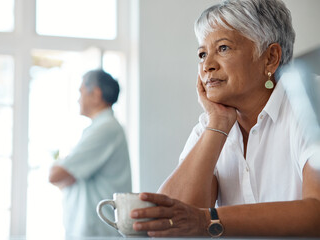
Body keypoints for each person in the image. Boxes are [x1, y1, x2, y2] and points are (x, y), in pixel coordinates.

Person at [130, 0, 320, 237]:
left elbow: (317, 211)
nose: (207, 65)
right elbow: (171, 221)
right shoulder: (211, 123)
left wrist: (207, 220)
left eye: (223, 48)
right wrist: (218, 124)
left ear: (270, 57)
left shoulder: (312, 99)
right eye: (202, 54)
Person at [49, 69, 132, 237]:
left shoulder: (106, 128)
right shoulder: (98, 128)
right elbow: (64, 177)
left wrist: (63, 167)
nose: (78, 99)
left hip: (98, 233)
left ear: (95, 94)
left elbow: (56, 175)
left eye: (80, 92)